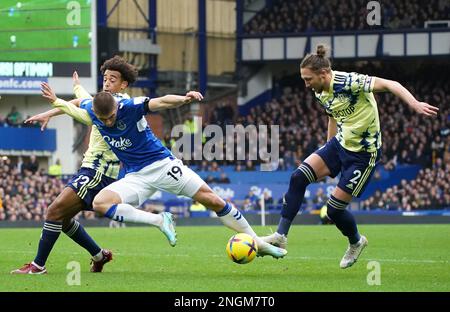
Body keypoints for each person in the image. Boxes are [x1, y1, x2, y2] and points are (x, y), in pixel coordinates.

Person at [44, 85, 287, 259]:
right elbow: (78, 102)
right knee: (100, 203)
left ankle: (258, 243)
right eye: (102, 119)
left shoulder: (130, 106)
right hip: (135, 176)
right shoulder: (93, 110)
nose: (107, 123)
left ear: (116, 108)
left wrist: (184, 99)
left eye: (110, 118)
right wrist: (61, 98)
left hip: (162, 165)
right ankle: (160, 220)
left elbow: (160, 102)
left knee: (211, 200)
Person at [262, 45, 438, 269]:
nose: (305, 84)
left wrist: (413, 103)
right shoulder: (319, 91)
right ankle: (280, 236)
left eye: (308, 79)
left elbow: (390, 84)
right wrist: (327, 148)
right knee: (298, 177)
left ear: (323, 74)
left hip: (363, 154)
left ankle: (356, 242)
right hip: (339, 144)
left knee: (334, 210)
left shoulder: (350, 82)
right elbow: (332, 116)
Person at [11, 56, 177, 274]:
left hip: (99, 171)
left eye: (112, 79)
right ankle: (100, 255)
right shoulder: (105, 100)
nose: (106, 82)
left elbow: (84, 113)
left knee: (54, 211)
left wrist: (55, 102)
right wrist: (66, 98)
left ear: (123, 84)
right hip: (92, 169)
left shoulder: (118, 105)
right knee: (64, 219)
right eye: (105, 78)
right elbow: (83, 100)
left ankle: (37, 266)